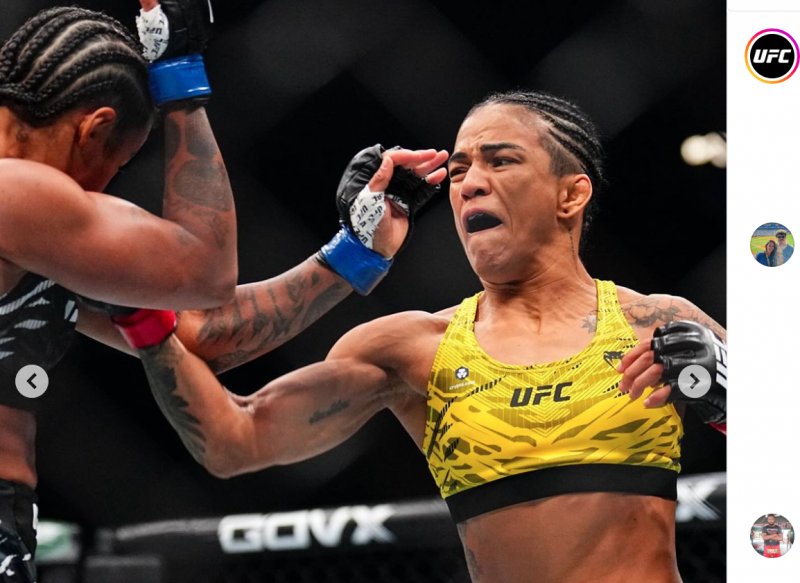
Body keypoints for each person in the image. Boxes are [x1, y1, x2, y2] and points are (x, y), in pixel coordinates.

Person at [110, 90, 727, 583]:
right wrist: (137, 312)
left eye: (500, 160)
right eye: (458, 170)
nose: (470, 182)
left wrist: (728, 395)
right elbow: (234, 441)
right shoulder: (411, 348)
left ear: (571, 194)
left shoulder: (658, 323)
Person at [0, 3, 448, 582]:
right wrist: (182, 85)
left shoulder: (36, 244)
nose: (102, 194)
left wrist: (355, 251)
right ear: (95, 130)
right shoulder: (14, 190)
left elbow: (203, 333)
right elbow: (204, 271)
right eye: (118, 166)